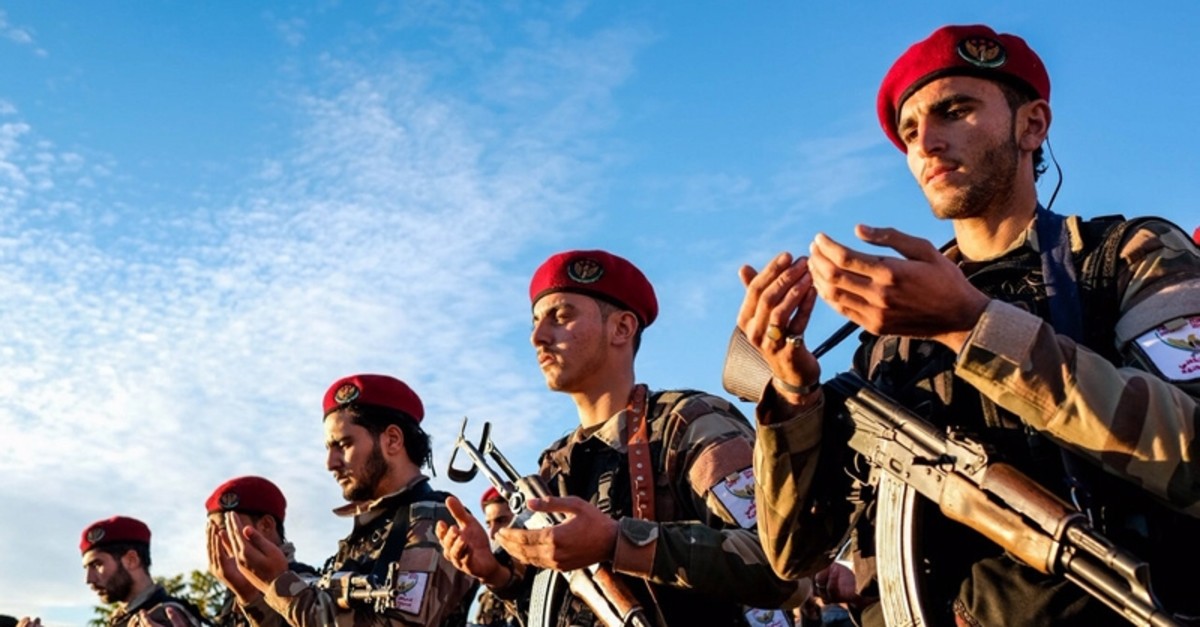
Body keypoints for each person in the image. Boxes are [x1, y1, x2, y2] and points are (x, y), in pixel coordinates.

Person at [738, 23, 1200, 627]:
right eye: (909, 132)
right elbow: (795, 554)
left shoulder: (1125, 256)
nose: (926, 143)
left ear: (1031, 126)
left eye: (955, 112)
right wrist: (793, 393)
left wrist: (972, 328)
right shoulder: (889, 339)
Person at [438, 249, 809, 626]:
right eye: (535, 321)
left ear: (621, 328)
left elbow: (785, 571)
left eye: (561, 317)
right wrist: (496, 575)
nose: (538, 336)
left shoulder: (688, 425)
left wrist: (618, 542)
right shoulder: (557, 462)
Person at [222, 374, 477, 626]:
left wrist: (279, 586)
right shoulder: (372, 530)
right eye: (329, 449)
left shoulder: (436, 522)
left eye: (343, 445)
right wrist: (253, 593)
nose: (331, 463)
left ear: (392, 440)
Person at [204, 476, 318, 627]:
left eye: (227, 528)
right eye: (211, 532)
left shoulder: (307, 586)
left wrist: (250, 597)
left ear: (265, 526)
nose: (218, 541)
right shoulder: (232, 593)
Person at [79, 515, 206, 626]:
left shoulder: (164, 617)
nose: (89, 579)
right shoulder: (122, 617)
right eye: (87, 568)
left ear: (131, 560)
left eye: (96, 565)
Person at [471, 488, 520, 627]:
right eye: (489, 524)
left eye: (501, 520)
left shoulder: (552, 575)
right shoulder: (490, 594)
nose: (492, 533)